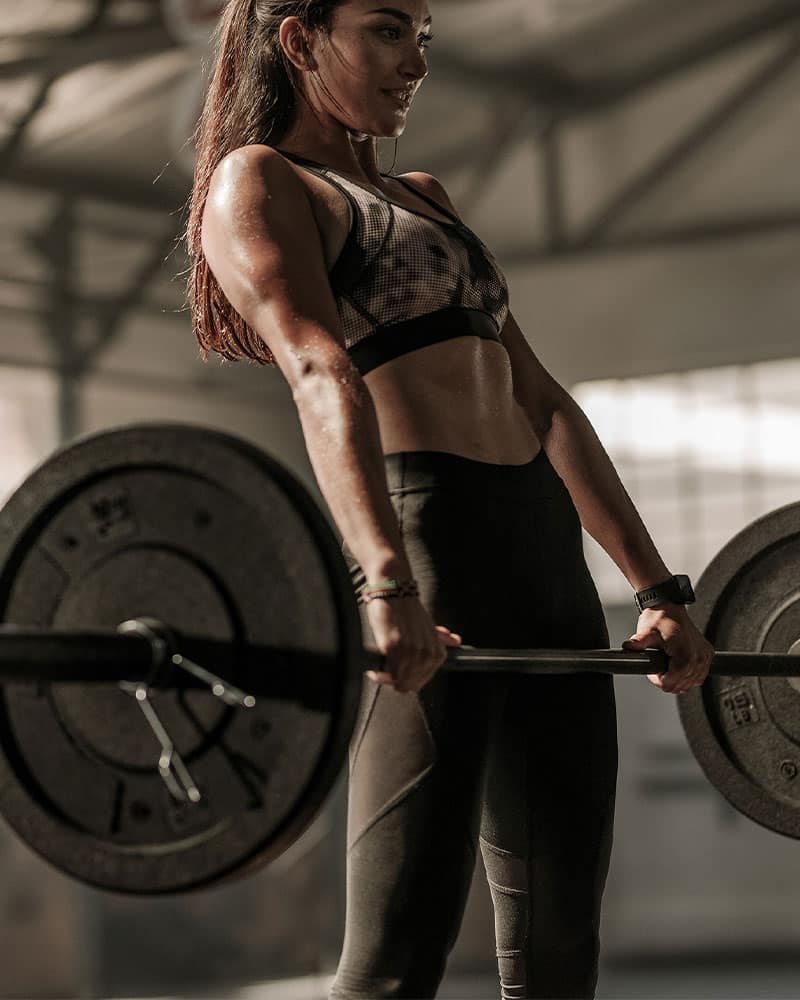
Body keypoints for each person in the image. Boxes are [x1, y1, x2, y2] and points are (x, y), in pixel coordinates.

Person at [185, 2, 715, 996]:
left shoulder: (425, 198)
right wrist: (383, 582)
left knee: (558, 959)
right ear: (299, 40)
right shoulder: (260, 182)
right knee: (391, 967)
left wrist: (655, 585)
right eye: (386, 30)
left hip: (542, 558)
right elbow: (315, 367)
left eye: (422, 36)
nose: (414, 61)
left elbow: (541, 399)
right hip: (431, 556)